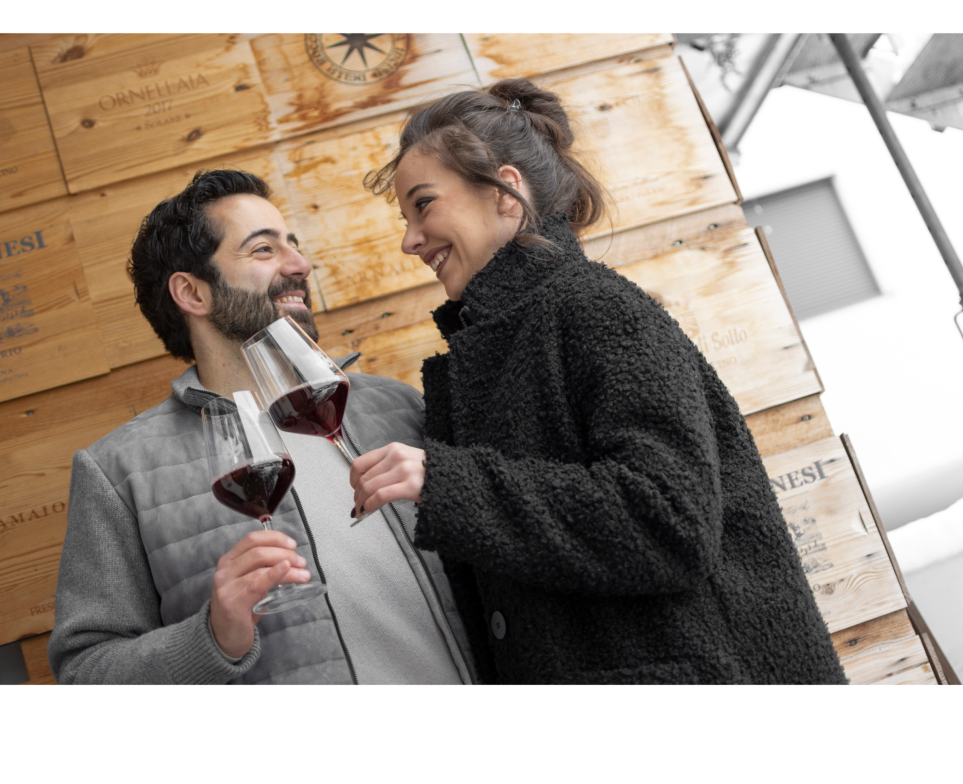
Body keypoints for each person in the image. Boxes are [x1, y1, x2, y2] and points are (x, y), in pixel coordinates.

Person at [350, 80, 849, 686]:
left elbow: (669, 518)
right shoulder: (490, 349)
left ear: (506, 193)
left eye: (423, 205)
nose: (409, 241)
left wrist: (447, 483)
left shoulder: (593, 307)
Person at [49, 169, 477, 686]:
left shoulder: (397, 406)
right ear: (193, 292)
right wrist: (210, 637)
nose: (300, 265)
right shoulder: (119, 473)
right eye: (263, 250)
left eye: (293, 245)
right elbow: (85, 671)